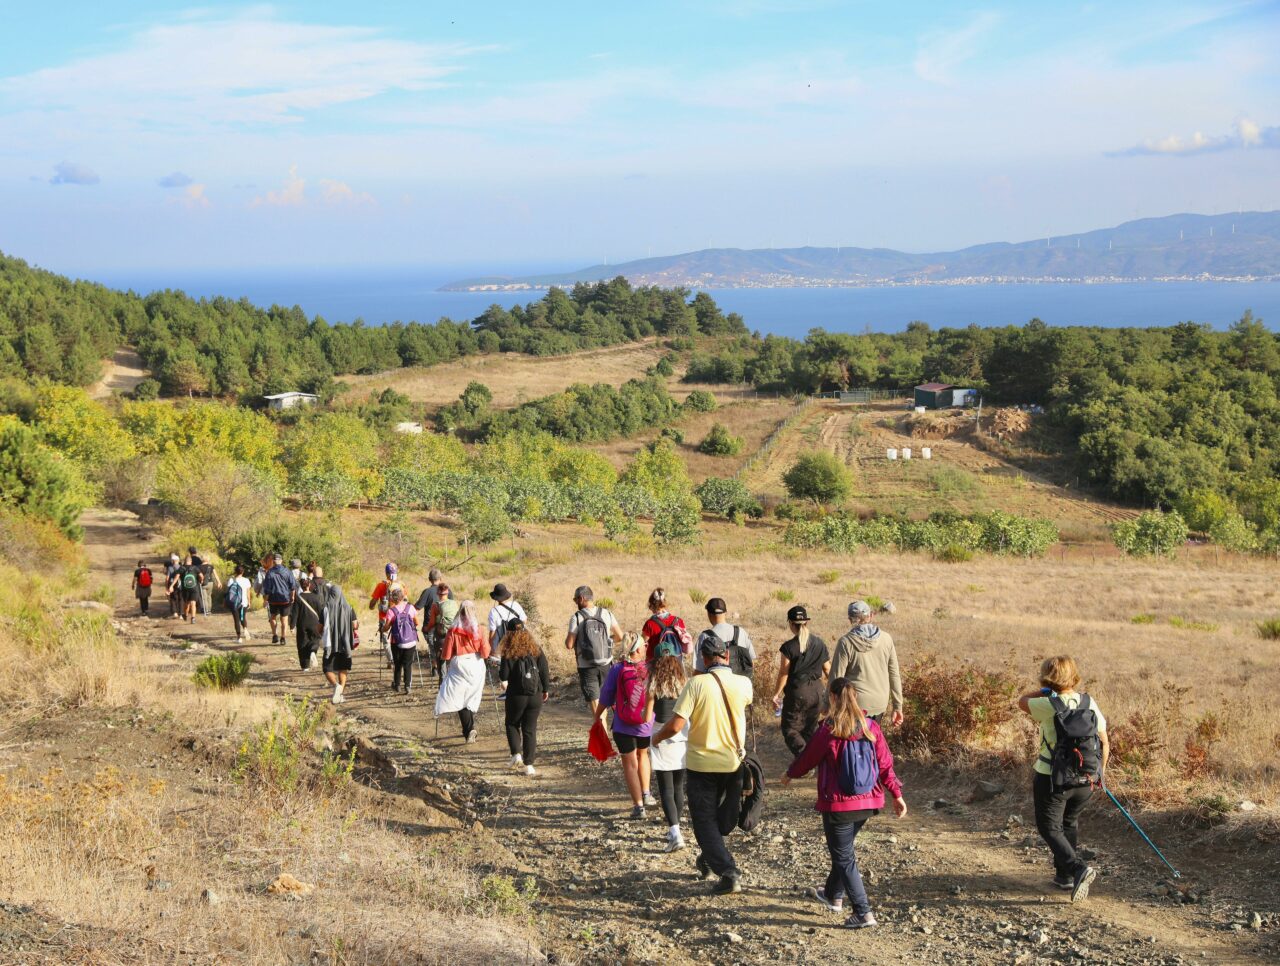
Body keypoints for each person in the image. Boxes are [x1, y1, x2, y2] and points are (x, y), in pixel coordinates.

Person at [782, 677, 907, 930]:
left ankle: (863, 912)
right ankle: (832, 895)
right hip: (868, 803)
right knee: (844, 851)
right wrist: (896, 794)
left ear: (832, 698)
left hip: (838, 805)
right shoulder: (871, 727)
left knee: (844, 857)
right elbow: (885, 764)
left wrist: (790, 774)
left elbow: (808, 758)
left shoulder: (830, 729)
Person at [653, 633, 753, 895]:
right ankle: (709, 857)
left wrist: (655, 738)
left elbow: (675, 725)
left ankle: (729, 872)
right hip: (733, 762)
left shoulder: (696, 684)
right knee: (720, 818)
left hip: (702, 765)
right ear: (726, 656)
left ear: (704, 659)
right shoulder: (744, 684)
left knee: (704, 821)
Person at [1018, 656, 1109, 903]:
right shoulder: (1089, 702)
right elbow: (1104, 741)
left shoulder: (1048, 704)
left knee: (1049, 827)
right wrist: (1099, 774)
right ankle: (1064, 876)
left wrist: (1044, 690)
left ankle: (1077, 868)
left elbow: (1021, 701)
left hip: (1052, 777)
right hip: (1086, 779)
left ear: (1048, 678)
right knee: (1069, 822)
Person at [594, 635, 656, 818]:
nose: (646, 647)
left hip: (623, 724)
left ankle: (638, 807)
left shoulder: (617, 669)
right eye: (644, 645)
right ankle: (646, 793)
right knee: (643, 754)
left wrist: (597, 716)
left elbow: (606, 696)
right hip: (645, 723)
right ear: (637, 650)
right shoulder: (649, 669)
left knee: (629, 763)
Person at [646, 640, 690, 851]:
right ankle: (676, 826)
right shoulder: (684, 682)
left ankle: (674, 831)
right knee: (679, 786)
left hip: (660, 734)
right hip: (682, 734)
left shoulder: (654, 682)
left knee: (666, 787)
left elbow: (647, 714)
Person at [772, 605, 831, 757]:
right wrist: (832, 693)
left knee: (790, 729)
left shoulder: (788, 647)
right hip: (818, 691)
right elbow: (828, 670)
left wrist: (776, 694)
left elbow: (784, 673)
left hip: (798, 692)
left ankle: (806, 760)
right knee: (809, 730)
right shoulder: (819, 644)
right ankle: (808, 761)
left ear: (791, 624)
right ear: (806, 623)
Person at [831, 601, 903, 726]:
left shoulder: (845, 642)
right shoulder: (886, 639)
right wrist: (898, 706)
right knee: (872, 740)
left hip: (855, 703)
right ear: (871, 616)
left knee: (853, 744)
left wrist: (828, 705)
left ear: (850, 619)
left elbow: (836, 678)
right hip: (880, 703)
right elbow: (894, 674)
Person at [498, 619, 550, 776]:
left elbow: (503, 675)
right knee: (530, 729)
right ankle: (529, 765)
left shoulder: (508, 651)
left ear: (509, 633)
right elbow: (544, 670)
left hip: (516, 695)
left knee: (512, 723)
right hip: (535, 694)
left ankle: (516, 755)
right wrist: (545, 689)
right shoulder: (535, 649)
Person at [435, 600, 491, 742]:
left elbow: (446, 655)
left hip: (459, 665)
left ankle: (469, 729)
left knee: (460, 698)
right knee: (471, 696)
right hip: (476, 665)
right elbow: (485, 654)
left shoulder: (453, 630)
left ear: (459, 612)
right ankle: (469, 728)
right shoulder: (481, 629)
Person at [565, 585, 624, 713]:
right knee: (610, 703)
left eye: (575, 600)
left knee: (598, 710)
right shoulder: (606, 613)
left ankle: (602, 732)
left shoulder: (576, 617)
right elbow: (620, 636)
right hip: (606, 665)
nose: (575, 602)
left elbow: (569, 645)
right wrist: (607, 641)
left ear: (581, 598)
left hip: (586, 668)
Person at [316, 567, 358, 704]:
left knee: (327, 668)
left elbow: (319, 627)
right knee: (343, 668)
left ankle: (336, 686)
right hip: (345, 644)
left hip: (330, 643)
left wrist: (320, 633)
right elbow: (355, 625)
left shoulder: (325, 609)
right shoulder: (350, 608)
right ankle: (340, 692)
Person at [694, 598, 755, 677]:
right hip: (741, 685)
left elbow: (699, 670)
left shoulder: (705, 636)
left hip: (717, 685)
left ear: (709, 614)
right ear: (725, 613)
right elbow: (751, 663)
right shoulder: (741, 632)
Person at [383, 587, 420, 695]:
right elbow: (416, 623)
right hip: (411, 641)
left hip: (396, 642)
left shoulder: (391, 611)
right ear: (402, 597)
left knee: (397, 663)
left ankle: (397, 685)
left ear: (393, 599)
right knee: (408, 664)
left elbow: (387, 627)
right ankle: (407, 686)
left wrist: (382, 629)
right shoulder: (410, 608)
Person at [641, 588, 691, 665]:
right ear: (665, 603)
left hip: (655, 665)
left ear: (651, 606)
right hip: (676, 665)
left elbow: (642, 643)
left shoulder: (650, 624)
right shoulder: (678, 621)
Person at [369, 563, 402, 669]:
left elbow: (372, 603)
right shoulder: (401, 585)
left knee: (386, 640)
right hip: (398, 616)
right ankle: (398, 659)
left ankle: (391, 660)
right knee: (398, 638)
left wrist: (372, 605)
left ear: (386, 573)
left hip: (384, 617)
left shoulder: (381, 586)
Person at [292, 574, 327, 671]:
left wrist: (292, 626)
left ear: (301, 586)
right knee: (315, 639)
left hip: (302, 624)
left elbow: (295, 612)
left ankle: (305, 666)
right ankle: (313, 651)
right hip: (314, 623)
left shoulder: (298, 597)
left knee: (302, 643)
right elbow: (321, 611)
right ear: (309, 585)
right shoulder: (316, 597)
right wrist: (323, 623)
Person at [426, 585, 462, 678]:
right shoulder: (454, 603)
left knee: (441, 661)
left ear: (438, 593)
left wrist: (426, 628)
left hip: (441, 637)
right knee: (452, 661)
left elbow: (432, 622)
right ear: (447, 593)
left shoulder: (435, 605)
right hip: (454, 635)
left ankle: (442, 686)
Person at [262, 552, 298, 644]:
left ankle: (274, 635)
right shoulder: (287, 571)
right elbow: (293, 586)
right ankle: (283, 638)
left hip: (273, 600)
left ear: (273, 562)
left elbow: (267, 589)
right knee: (284, 620)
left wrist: (265, 600)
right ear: (281, 561)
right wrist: (292, 596)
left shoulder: (269, 572)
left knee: (272, 618)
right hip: (285, 600)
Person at [486, 583, 526, 658]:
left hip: (501, 649)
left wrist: (490, 649)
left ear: (496, 598)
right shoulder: (515, 605)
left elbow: (492, 633)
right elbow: (524, 621)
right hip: (518, 644)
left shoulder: (494, 611)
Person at [169, 554, 202, 625]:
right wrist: (201, 580)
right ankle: (193, 618)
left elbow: (176, 577)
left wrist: (171, 586)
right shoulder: (195, 568)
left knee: (186, 603)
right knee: (193, 603)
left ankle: (186, 615)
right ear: (191, 561)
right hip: (194, 588)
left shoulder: (182, 568)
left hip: (185, 588)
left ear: (185, 561)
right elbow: (201, 575)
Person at [226, 564, 252, 642]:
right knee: (243, 617)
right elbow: (248, 592)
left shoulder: (231, 580)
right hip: (244, 602)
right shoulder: (246, 580)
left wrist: (225, 602)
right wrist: (249, 602)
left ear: (235, 572)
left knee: (236, 620)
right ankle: (245, 629)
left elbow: (228, 592)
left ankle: (239, 638)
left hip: (234, 603)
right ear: (243, 572)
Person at [165, 552, 182, 619]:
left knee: (173, 598)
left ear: (172, 561)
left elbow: (167, 578)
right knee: (180, 599)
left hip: (171, 584)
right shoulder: (181, 567)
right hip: (180, 584)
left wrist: (167, 587)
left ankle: (175, 613)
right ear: (178, 561)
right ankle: (181, 614)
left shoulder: (170, 568)